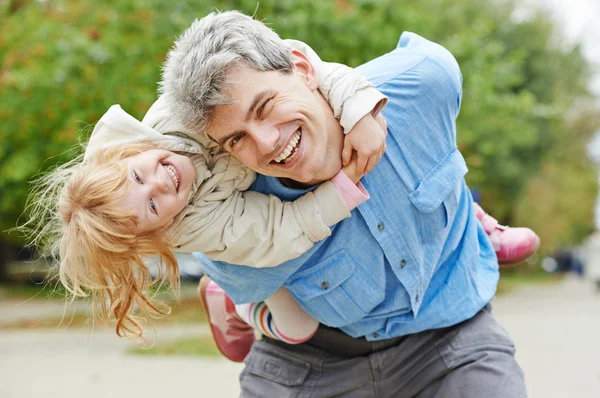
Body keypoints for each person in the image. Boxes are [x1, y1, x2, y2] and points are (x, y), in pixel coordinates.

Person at [155, 10, 529, 396]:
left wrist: (361, 105)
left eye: (265, 106)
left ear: (302, 69)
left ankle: (485, 224)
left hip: (453, 330)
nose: (266, 143)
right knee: (255, 287)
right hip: (317, 357)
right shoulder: (240, 229)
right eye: (237, 139)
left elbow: (434, 63)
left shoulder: (422, 84)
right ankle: (237, 301)